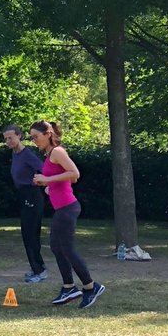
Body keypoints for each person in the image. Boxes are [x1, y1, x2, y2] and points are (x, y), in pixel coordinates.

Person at [29, 120, 106, 309]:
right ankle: (69, 287)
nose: (34, 141)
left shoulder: (57, 152)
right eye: (31, 138)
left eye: (36, 137)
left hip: (68, 207)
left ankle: (90, 287)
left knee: (67, 248)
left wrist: (47, 179)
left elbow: (75, 174)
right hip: (63, 207)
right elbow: (67, 179)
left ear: (48, 134)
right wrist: (48, 185)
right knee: (57, 247)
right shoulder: (50, 154)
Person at [3, 124, 47, 284]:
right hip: (23, 195)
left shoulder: (26, 153)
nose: (8, 141)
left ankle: (39, 271)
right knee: (27, 233)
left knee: (30, 233)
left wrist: (42, 182)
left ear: (19, 136)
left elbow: (44, 169)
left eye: (11, 137)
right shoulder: (15, 154)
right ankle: (38, 267)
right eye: (6, 139)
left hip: (32, 195)